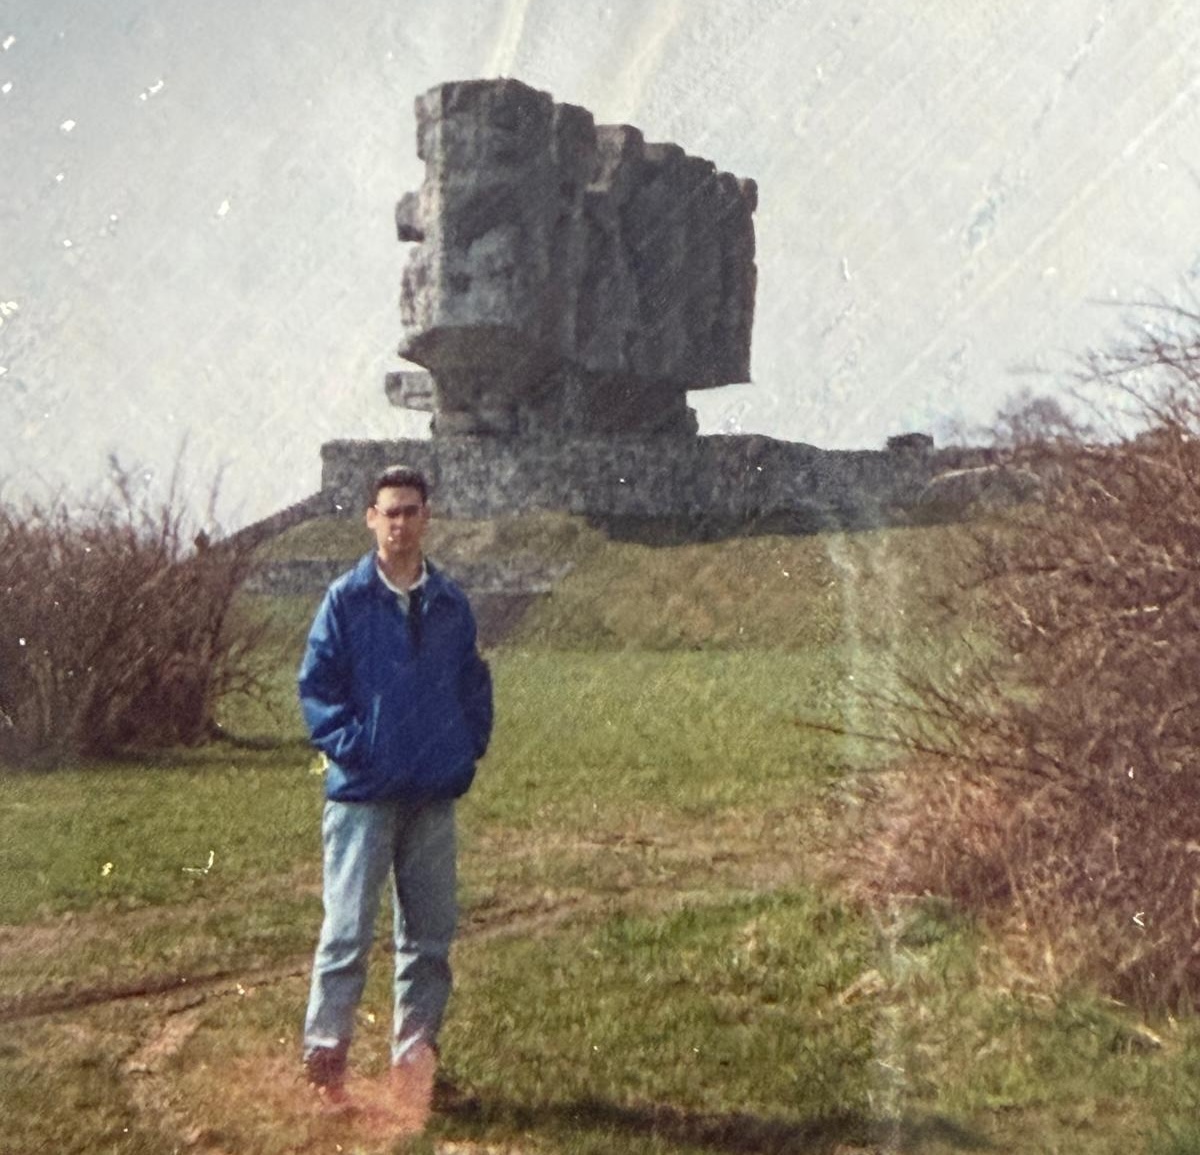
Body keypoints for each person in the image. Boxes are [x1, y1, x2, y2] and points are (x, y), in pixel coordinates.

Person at [297, 464, 493, 1124]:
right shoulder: (345, 601)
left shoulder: (450, 603)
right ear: (370, 519)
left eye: (411, 511)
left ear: (426, 518)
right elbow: (317, 689)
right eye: (390, 512)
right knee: (347, 935)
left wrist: (464, 748)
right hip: (364, 798)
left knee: (428, 941)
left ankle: (414, 1070)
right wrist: (360, 748)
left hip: (431, 795)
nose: (400, 523)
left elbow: (473, 684)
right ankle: (326, 1066)